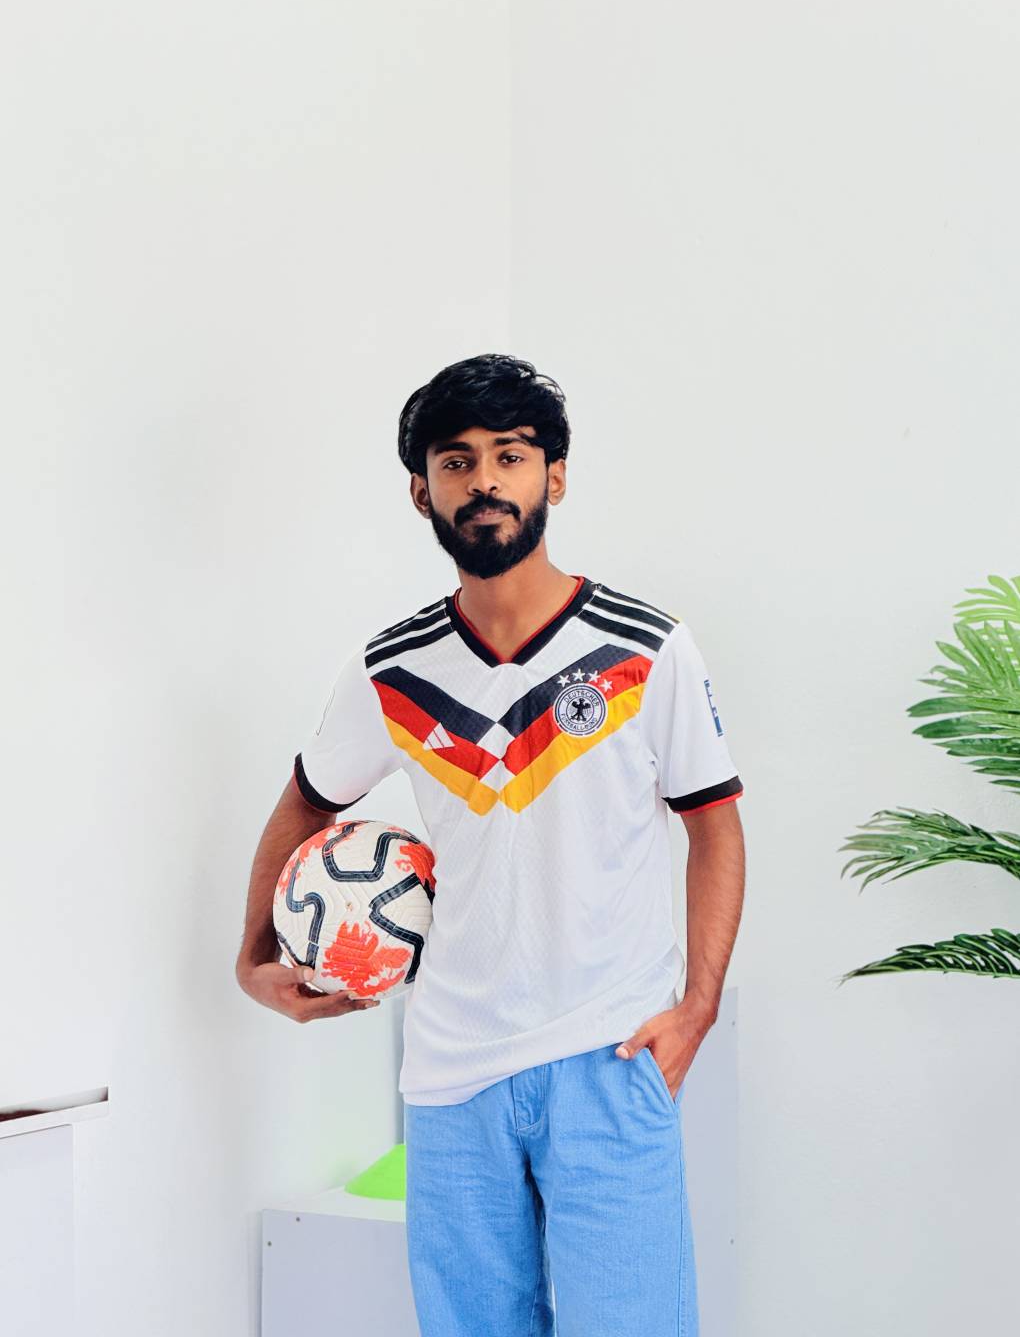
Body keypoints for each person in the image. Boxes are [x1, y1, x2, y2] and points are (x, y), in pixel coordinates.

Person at [235, 353, 746, 1337]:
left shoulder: (648, 648)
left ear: (556, 475)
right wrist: (254, 954)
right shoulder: (390, 668)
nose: (484, 481)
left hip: (611, 1055)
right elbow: (302, 804)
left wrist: (698, 1008)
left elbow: (715, 829)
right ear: (420, 490)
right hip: (451, 1074)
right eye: (456, 461)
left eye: (510, 456)